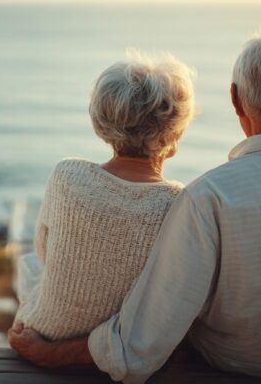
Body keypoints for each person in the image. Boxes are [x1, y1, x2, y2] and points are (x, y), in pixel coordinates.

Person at [8, 29, 261, 384]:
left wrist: (52, 353)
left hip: (237, 365)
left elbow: (143, 341)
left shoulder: (210, 195)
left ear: (236, 99)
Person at [13, 51, 195, 341]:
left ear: (102, 121)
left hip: (48, 332)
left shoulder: (66, 176)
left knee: (29, 265)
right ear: (174, 136)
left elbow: (45, 250)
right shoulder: (180, 202)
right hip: (125, 342)